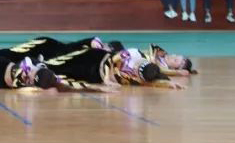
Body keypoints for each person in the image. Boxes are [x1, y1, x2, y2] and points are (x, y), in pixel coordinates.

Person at [43, 46, 184, 89]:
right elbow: (110, 59)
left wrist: (169, 83)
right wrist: (106, 79)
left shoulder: (144, 78)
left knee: (67, 75)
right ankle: (42, 62)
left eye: (137, 73)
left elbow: (156, 80)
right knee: (62, 64)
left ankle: (46, 72)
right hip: (96, 59)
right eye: (136, 68)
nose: (134, 71)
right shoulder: (134, 53)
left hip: (95, 76)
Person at [0, 36, 124, 63]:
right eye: (108, 48)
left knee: (12, 63)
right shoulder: (96, 45)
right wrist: (95, 42)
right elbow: (93, 41)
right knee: (12, 53)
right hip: (45, 47)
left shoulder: (102, 60)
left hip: (48, 60)